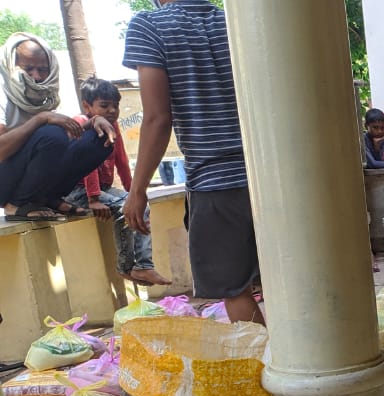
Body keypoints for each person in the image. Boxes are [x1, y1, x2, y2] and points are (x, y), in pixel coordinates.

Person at [123, 0, 263, 324]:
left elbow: (157, 118)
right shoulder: (234, 21)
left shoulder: (150, 26)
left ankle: (275, 369)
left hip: (215, 182)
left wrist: (138, 190)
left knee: (236, 290)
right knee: (286, 282)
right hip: (270, 173)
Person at [66, 77, 170, 286]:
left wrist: (135, 192)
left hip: (101, 188)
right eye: (104, 106)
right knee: (124, 209)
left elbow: (122, 161)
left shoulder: (113, 126)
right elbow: (87, 162)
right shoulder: (82, 125)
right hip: (76, 191)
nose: (112, 110)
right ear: (87, 106)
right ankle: (126, 266)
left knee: (138, 206)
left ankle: (143, 265)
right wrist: (94, 198)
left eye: (115, 106)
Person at [0, 33, 114, 220]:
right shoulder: (3, 88)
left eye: (42, 69)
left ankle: (48, 198)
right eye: (28, 68)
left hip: (26, 173)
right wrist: (41, 118)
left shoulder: (45, 93)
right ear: (13, 66)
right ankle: (16, 205)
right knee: (52, 134)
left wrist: (92, 122)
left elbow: (64, 139)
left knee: (99, 139)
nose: (36, 76)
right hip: (4, 180)